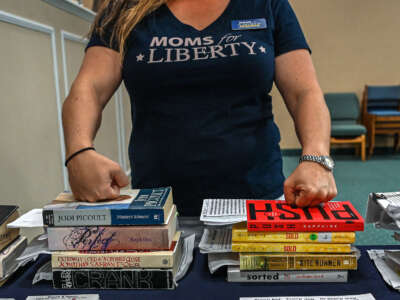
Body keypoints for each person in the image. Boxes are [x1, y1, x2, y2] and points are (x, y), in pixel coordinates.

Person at [62, 0, 337, 216]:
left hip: (257, 200)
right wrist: (78, 152)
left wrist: (317, 158)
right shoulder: (125, 9)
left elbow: (305, 92)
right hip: (160, 207)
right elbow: (90, 87)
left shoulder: (266, 4)